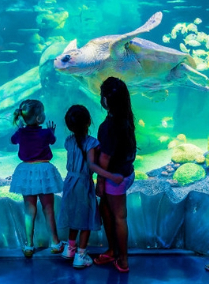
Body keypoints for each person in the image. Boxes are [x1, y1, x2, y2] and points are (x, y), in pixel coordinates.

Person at [57, 105, 123, 269]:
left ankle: (69, 249)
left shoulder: (68, 141)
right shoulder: (92, 143)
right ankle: (80, 255)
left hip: (69, 183)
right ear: (89, 121)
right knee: (85, 220)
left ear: (69, 126)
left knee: (74, 217)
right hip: (83, 184)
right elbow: (92, 166)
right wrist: (111, 175)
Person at [9, 99, 65, 258]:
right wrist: (52, 132)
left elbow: (13, 141)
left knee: (29, 211)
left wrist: (19, 128)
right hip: (43, 170)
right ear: (40, 118)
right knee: (48, 209)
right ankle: (55, 242)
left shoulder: (20, 133)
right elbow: (52, 141)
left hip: (26, 171)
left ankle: (28, 245)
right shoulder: (46, 132)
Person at [93, 77, 136, 273]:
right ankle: (113, 250)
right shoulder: (126, 118)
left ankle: (123, 260)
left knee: (119, 216)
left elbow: (105, 158)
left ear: (107, 100)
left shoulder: (109, 126)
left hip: (115, 178)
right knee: (106, 209)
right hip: (127, 172)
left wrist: (100, 181)